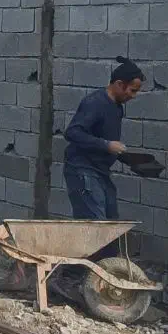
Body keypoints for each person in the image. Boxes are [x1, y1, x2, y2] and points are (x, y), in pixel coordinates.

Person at [63, 60, 144, 222]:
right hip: (82, 170)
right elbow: (72, 132)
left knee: (111, 221)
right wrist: (107, 145)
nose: (133, 96)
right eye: (132, 90)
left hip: (100, 171)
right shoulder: (95, 103)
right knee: (95, 226)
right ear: (119, 84)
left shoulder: (117, 107)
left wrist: (127, 158)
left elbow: (103, 141)